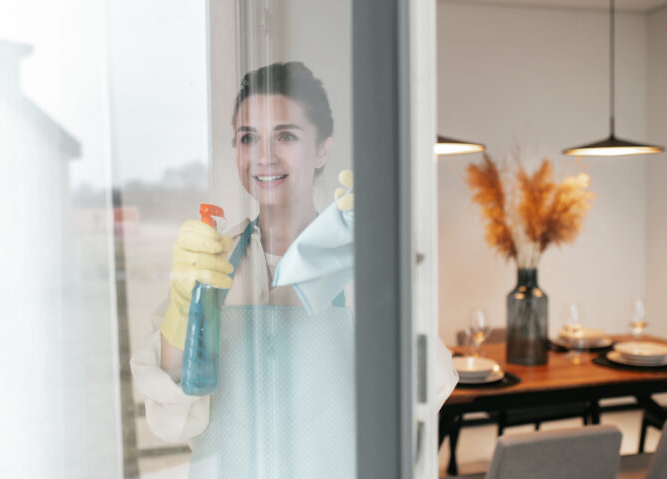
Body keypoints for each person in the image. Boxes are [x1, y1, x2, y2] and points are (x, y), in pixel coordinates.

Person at [131, 61, 457, 476]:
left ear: (323, 149)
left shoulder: (357, 260)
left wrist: (384, 275)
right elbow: (172, 419)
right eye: (248, 138)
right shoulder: (213, 264)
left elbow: (428, 388)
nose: (264, 156)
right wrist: (183, 306)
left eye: (285, 135)